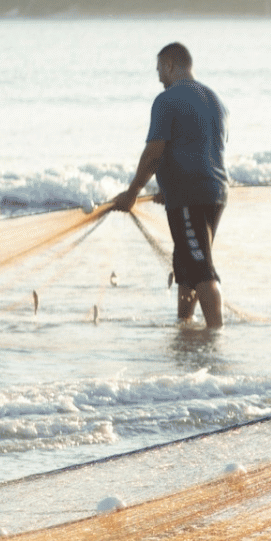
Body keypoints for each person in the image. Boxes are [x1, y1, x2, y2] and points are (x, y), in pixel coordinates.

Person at [111, 42, 228, 329]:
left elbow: (154, 153)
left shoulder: (167, 100)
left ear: (170, 65)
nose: (159, 78)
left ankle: (215, 336)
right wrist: (168, 187)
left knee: (200, 267)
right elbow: (202, 148)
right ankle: (184, 327)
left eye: (159, 70)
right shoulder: (215, 100)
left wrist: (132, 193)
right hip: (215, 192)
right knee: (186, 264)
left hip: (191, 195)